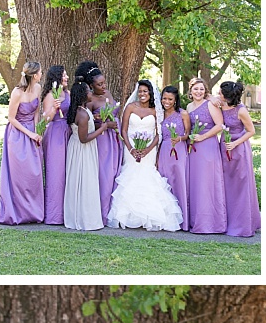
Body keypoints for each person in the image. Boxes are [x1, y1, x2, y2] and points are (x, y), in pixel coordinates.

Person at [107, 79, 184, 232]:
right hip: (131, 149)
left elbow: (158, 134)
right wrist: (130, 149)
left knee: (148, 178)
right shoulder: (130, 107)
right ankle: (128, 216)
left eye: (145, 91)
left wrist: (148, 149)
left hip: (149, 150)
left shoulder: (156, 111)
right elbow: (123, 130)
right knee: (131, 177)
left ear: (151, 94)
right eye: (140, 91)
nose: (142, 94)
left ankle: (150, 216)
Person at [0, 60, 45, 224]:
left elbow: (36, 112)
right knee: (19, 175)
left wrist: (37, 132)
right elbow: (11, 119)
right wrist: (29, 133)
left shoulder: (38, 88)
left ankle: (33, 213)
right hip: (17, 134)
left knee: (33, 174)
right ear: (35, 75)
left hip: (32, 132)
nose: (42, 74)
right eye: (40, 72)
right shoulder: (17, 92)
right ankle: (17, 213)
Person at [217, 81, 260, 237]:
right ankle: (225, 220)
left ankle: (242, 224)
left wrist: (234, 143)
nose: (218, 94)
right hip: (224, 147)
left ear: (227, 96)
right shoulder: (220, 106)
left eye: (220, 93)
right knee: (225, 184)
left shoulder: (241, 111)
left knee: (240, 185)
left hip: (239, 148)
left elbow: (251, 131)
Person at [186, 76, 228, 232]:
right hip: (194, 149)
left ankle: (211, 223)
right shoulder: (189, 107)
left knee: (207, 183)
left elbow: (220, 125)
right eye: (195, 89)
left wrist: (202, 137)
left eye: (201, 89)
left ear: (206, 91)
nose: (198, 92)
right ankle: (197, 220)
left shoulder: (210, 104)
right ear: (190, 91)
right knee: (196, 184)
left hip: (208, 146)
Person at [62, 79, 104, 231]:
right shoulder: (83, 114)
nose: (91, 92)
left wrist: (99, 123)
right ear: (82, 95)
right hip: (82, 150)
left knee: (81, 181)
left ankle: (79, 215)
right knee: (85, 181)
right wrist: (104, 128)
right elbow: (84, 138)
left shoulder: (81, 110)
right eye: (88, 90)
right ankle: (85, 219)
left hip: (79, 148)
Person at [89, 68, 122, 226]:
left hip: (115, 137)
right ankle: (100, 214)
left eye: (104, 83)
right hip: (102, 139)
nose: (103, 86)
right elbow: (86, 122)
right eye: (99, 84)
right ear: (91, 85)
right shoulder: (91, 99)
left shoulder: (107, 94)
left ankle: (112, 211)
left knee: (115, 172)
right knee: (105, 174)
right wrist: (101, 121)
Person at [158, 85, 191, 230]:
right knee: (165, 181)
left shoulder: (183, 114)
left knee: (179, 181)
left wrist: (180, 138)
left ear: (175, 100)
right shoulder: (159, 114)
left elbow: (188, 134)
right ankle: (166, 219)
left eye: (170, 99)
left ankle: (182, 220)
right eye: (164, 98)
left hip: (179, 150)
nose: (167, 101)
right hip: (164, 149)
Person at [41, 64, 70, 224]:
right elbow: (45, 119)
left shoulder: (68, 93)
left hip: (67, 133)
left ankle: (66, 213)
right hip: (55, 135)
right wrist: (54, 108)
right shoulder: (50, 95)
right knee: (56, 174)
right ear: (57, 78)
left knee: (66, 173)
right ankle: (54, 215)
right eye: (64, 75)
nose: (66, 77)